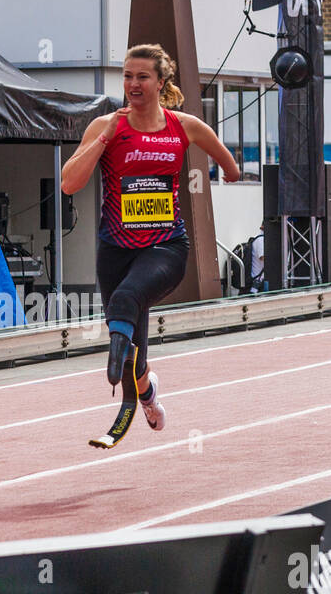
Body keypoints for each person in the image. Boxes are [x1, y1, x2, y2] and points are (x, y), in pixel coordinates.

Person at [62, 43, 241, 448]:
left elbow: (229, 165)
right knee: (134, 354)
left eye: (142, 76)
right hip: (116, 251)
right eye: (127, 76)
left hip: (166, 248)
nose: (133, 84)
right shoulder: (106, 126)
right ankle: (146, 393)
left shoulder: (184, 126)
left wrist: (229, 174)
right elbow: (69, 183)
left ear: (161, 82)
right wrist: (103, 138)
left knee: (126, 301)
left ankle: (119, 377)